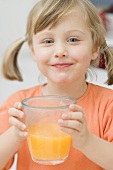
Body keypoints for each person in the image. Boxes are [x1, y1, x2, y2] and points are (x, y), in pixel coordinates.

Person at [0, 0, 113, 169]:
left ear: (95, 48)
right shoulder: (18, 105)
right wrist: (15, 134)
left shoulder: (108, 105)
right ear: (33, 51)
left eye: (73, 39)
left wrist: (86, 141)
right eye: (47, 41)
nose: (60, 51)